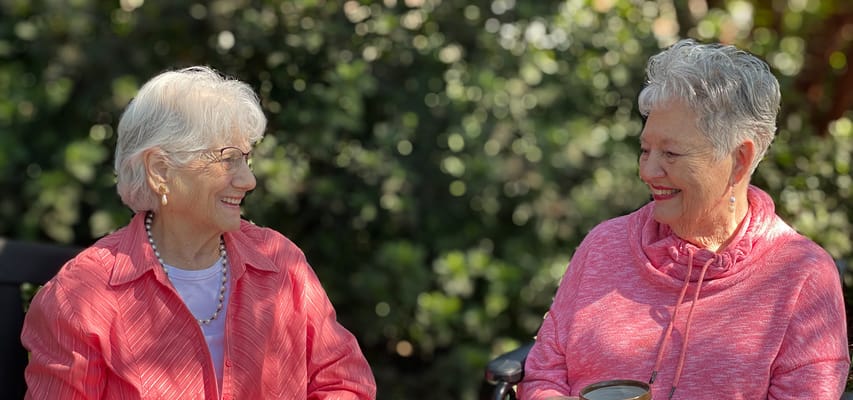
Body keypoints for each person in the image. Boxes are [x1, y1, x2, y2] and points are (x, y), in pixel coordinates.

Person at [517, 39, 849, 399]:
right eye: (645, 150)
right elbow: (543, 377)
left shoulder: (802, 275)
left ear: (739, 158)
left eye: (671, 153)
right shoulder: (602, 246)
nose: (648, 170)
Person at [22, 66, 377, 399]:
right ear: (161, 169)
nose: (248, 180)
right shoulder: (81, 298)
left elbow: (343, 381)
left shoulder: (279, 263)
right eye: (228, 159)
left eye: (246, 159)